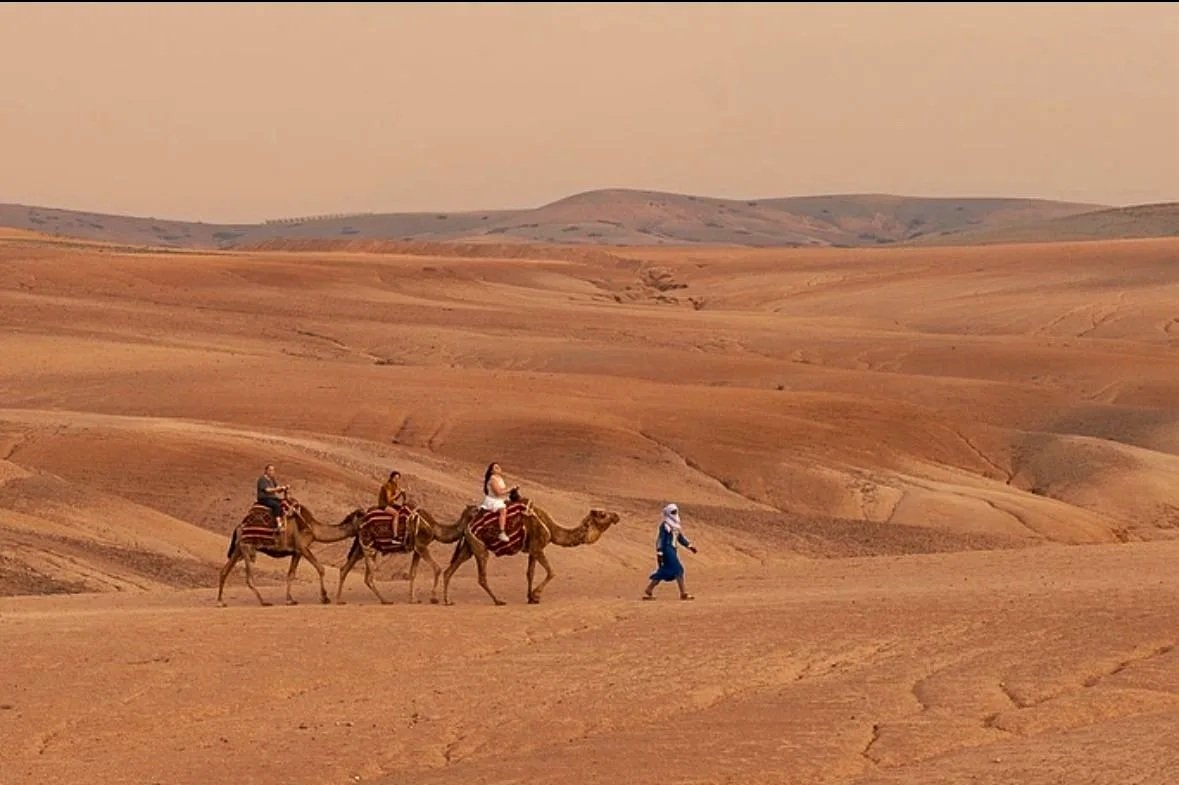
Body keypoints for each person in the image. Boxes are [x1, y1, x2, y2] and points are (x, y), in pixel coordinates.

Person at [642, 503, 698, 600]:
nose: (675, 513)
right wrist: (660, 552)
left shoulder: (675, 526)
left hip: (673, 549)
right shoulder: (665, 525)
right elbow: (660, 539)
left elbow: (680, 538)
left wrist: (689, 546)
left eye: (676, 511)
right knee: (678, 569)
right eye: (673, 512)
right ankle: (683, 593)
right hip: (667, 550)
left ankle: (649, 589)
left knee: (664, 571)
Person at [480, 462, 517, 543]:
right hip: (493, 501)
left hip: (501, 499)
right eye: (496, 467)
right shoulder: (493, 479)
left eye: (499, 467)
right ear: (491, 471)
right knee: (503, 510)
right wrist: (510, 488)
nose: (499, 468)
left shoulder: (499, 478)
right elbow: (498, 492)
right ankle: (501, 532)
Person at [256, 464, 290, 529]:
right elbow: (267, 490)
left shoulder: (272, 479)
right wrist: (279, 488)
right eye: (270, 470)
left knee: (284, 502)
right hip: (264, 498)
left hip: (272, 498)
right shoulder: (262, 479)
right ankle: (278, 523)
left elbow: (278, 489)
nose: (272, 472)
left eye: (273, 470)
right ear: (266, 471)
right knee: (276, 505)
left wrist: (284, 488)